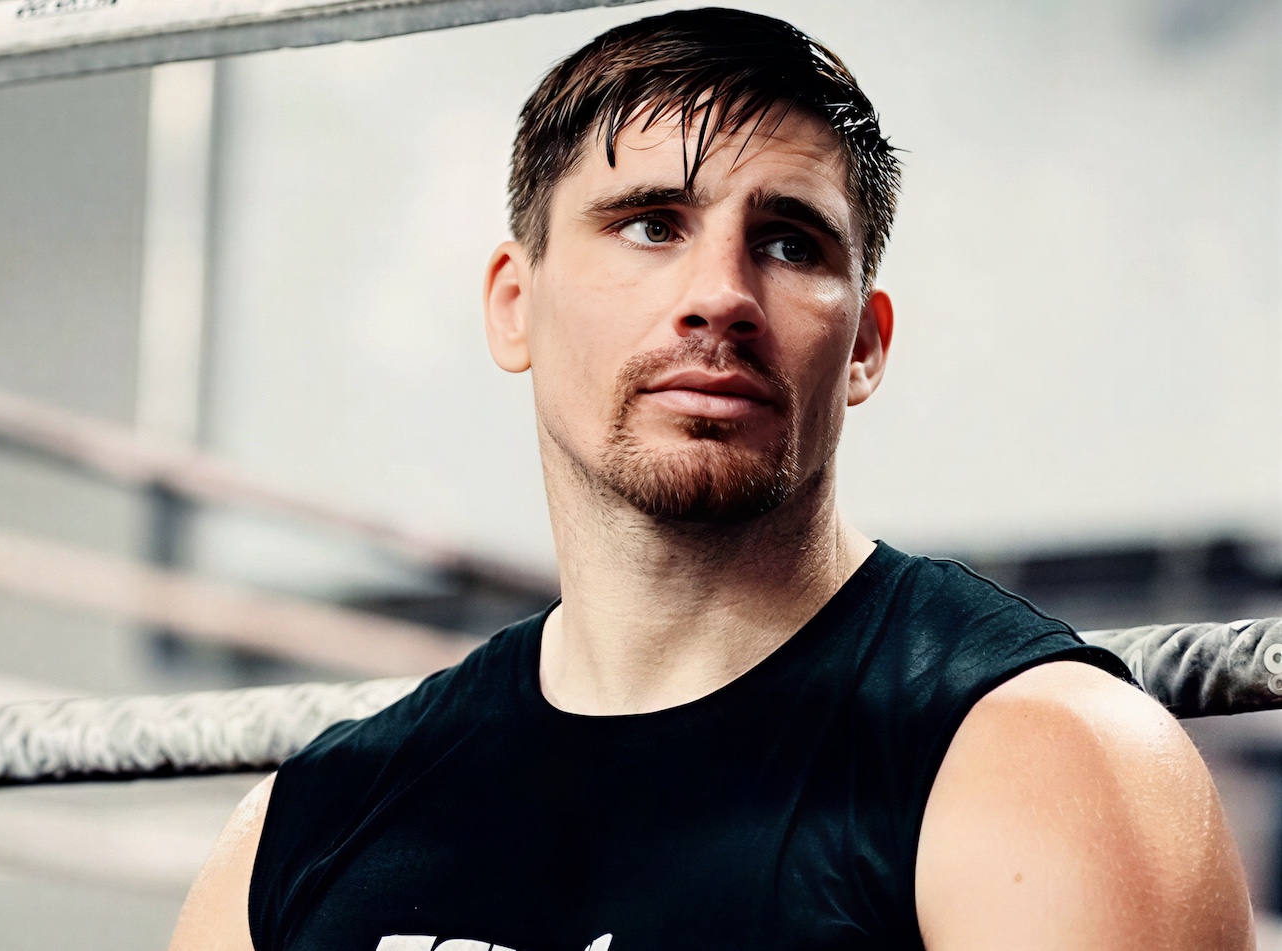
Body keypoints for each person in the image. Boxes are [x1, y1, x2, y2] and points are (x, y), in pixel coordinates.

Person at [169, 9, 1254, 950]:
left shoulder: (1047, 763)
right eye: (651, 225)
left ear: (865, 344)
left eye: (788, 244)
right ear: (514, 304)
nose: (720, 295)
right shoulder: (308, 823)